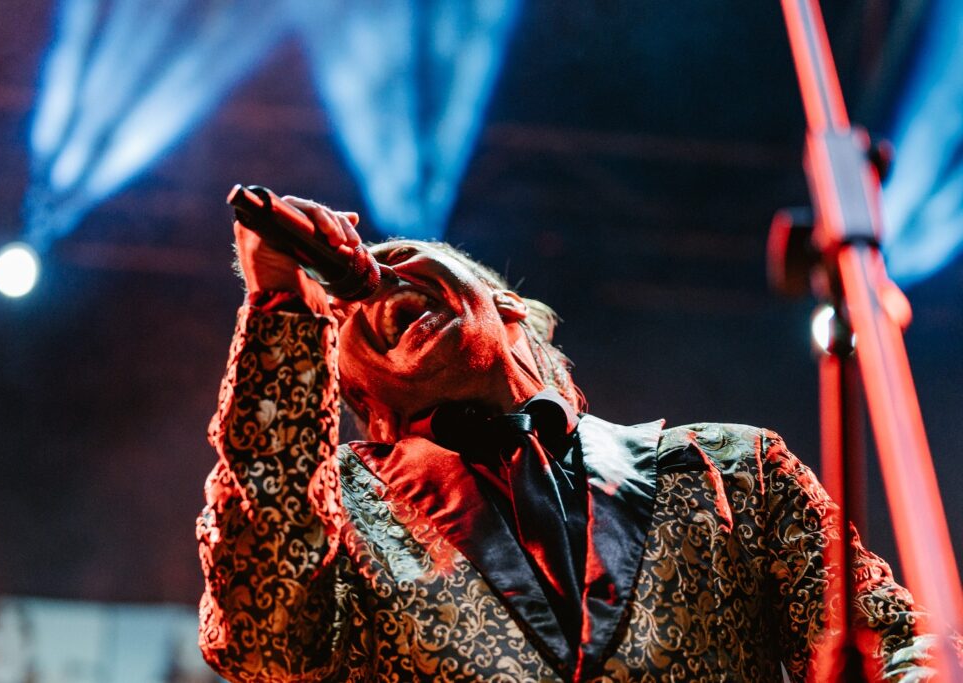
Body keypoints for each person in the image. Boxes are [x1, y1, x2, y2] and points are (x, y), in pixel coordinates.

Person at [197, 194, 935, 682]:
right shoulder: (346, 517)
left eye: (396, 262)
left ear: (508, 305)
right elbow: (263, 640)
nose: (378, 292)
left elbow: (896, 644)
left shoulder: (734, 470)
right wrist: (282, 306)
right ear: (373, 413)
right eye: (348, 310)